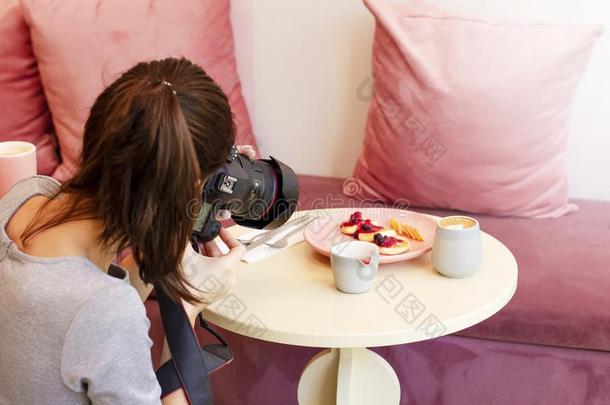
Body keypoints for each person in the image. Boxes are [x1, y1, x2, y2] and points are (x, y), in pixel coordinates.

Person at [0, 57, 250, 404]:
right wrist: (189, 306)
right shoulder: (106, 309)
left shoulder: (23, 196)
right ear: (184, 191)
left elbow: (70, 324)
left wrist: (158, 253)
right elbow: (93, 315)